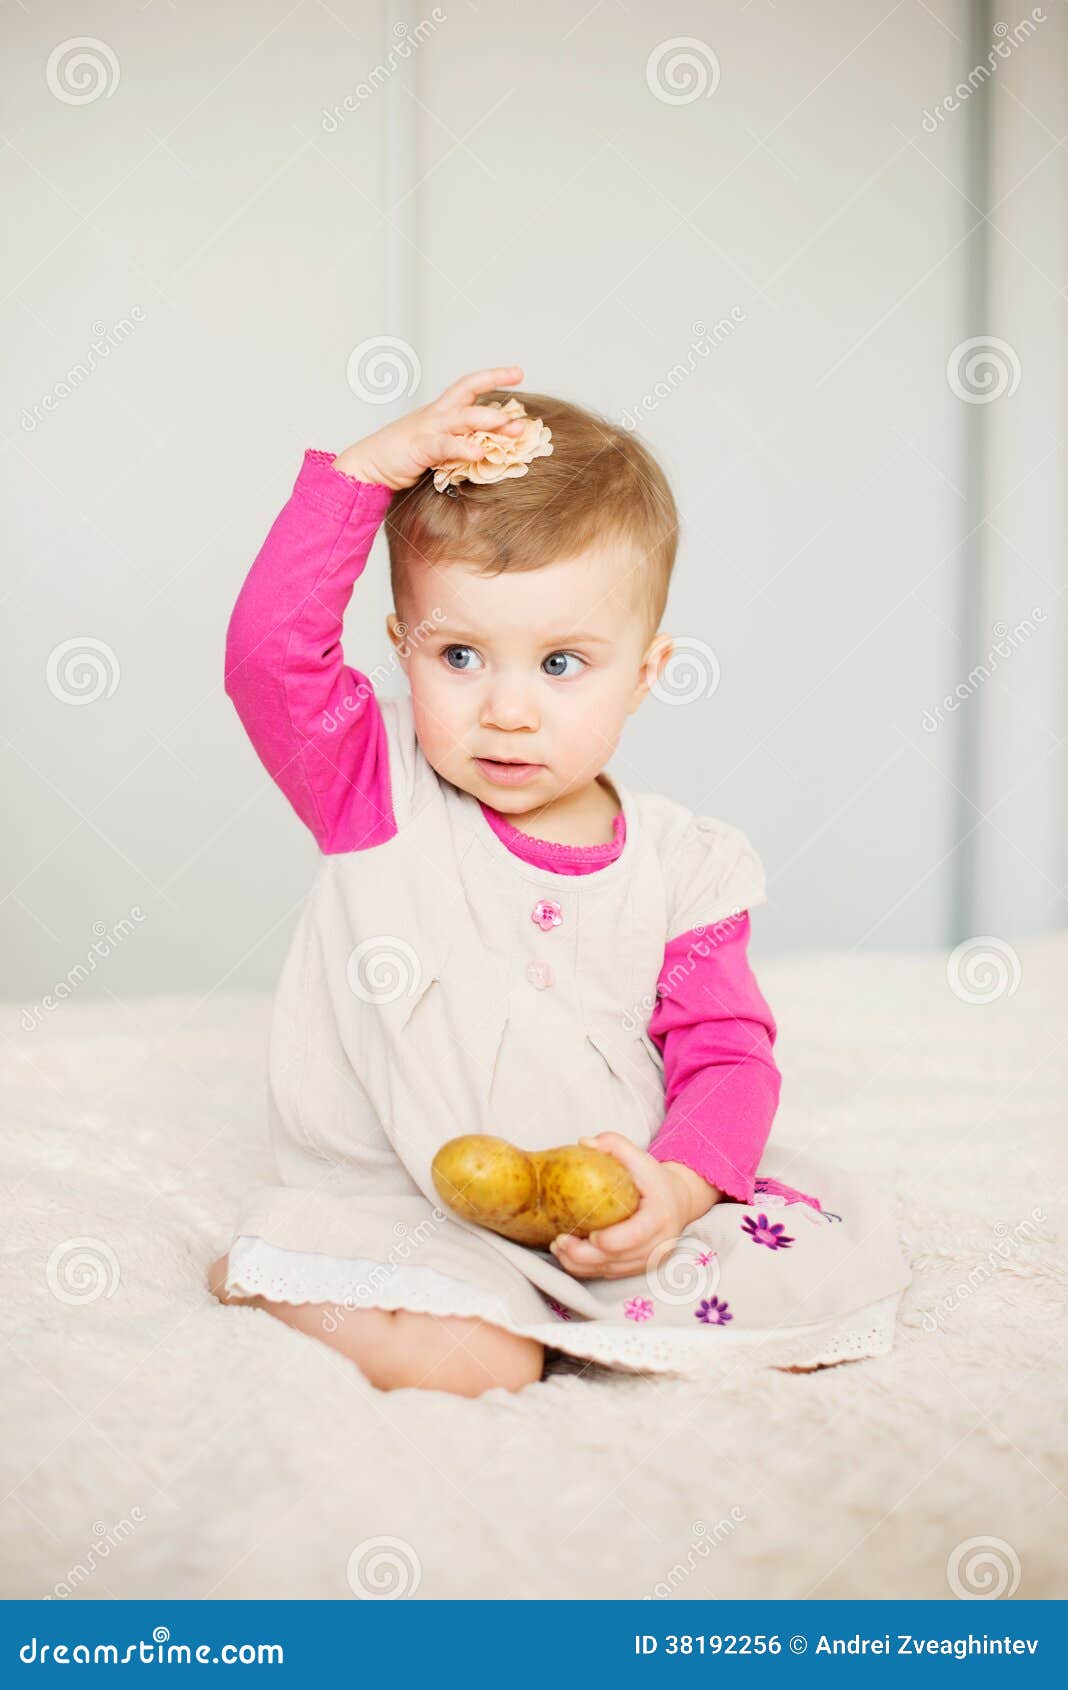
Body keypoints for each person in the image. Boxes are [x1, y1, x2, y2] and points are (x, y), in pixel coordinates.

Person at [208, 365, 911, 1395]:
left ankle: (623, 1262)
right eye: (459, 655)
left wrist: (670, 1192)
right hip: (411, 1201)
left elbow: (726, 1058)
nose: (507, 710)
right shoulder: (374, 784)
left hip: (608, 1199)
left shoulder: (683, 866)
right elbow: (269, 657)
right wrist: (361, 477)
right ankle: (281, 1276)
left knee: (821, 1266)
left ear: (646, 669)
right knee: (487, 1361)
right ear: (401, 646)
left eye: (561, 664)